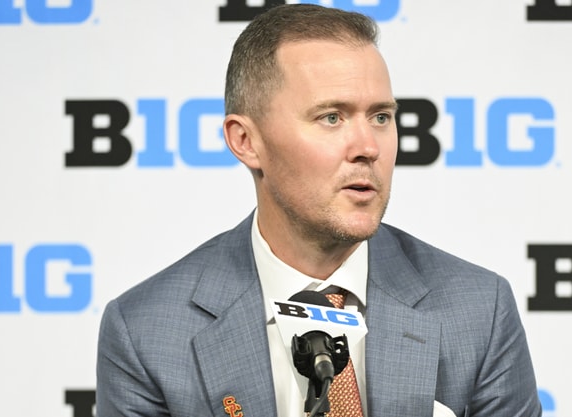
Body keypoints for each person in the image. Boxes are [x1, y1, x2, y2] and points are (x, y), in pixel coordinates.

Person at [96, 4, 541, 417]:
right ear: (246, 141)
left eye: (381, 117)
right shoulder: (146, 333)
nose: (368, 147)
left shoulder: (479, 311)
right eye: (332, 117)